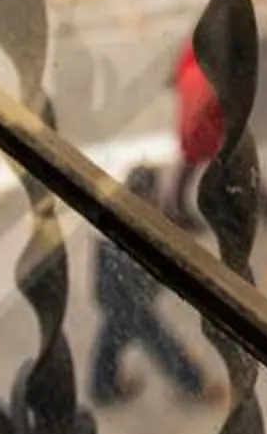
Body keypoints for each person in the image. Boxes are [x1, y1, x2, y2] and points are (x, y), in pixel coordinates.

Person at [89, 169, 216, 406]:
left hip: (116, 297)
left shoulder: (123, 216)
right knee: (157, 339)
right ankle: (194, 384)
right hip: (128, 300)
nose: (155, 202)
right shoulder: (123, 230)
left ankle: (102, 387)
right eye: (150, 198)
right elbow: (134, 274)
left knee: (112, 336)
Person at [169, 41, 267, 228]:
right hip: (207, 125)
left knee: (194, 162)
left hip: (200, 122)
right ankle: (266, 203)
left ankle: (175, 207)